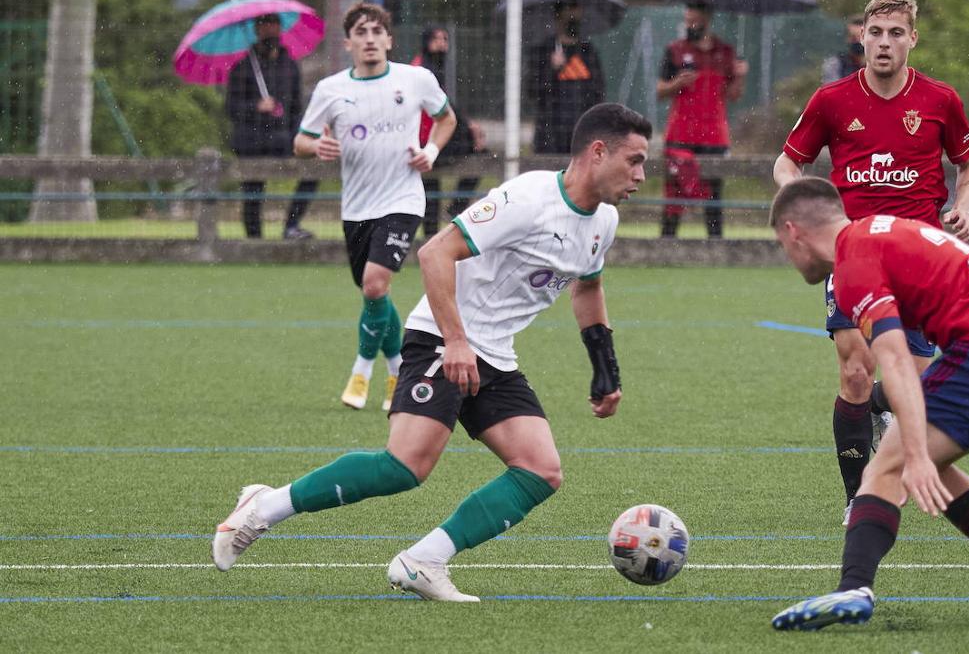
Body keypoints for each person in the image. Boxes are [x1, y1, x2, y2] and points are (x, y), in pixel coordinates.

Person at [212, 103, 651, 603]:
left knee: (540, 470)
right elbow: (434, 252)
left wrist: (605, 368)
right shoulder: (528, 197)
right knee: (405, 466)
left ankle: (424, 560)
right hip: (441, 339)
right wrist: (457, 341)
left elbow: (587, 289)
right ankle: (262, 509)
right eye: (634, 161)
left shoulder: (605, 222)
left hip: (494, 356)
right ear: (598, 152)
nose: (640, 175)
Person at [767, 178, 969, 630]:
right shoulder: (880, 232)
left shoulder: (854, 262)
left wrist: (912, 451)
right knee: (926, 460)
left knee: (887, 466)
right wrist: (919, 451)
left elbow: (896, 361)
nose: (787, 258)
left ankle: (853, 587)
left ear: (793, 231)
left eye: (781, 244)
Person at [773, 0, 969, 525]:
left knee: (902, 385)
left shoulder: (940, 100)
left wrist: (962, 206)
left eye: (896, 33)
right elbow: (786, 163)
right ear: (860, 38)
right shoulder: (831, 100)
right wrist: (803, 212)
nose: (884, 43)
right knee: (854, 372)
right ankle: (857, 497)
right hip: (854, 252)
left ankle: (878, 412)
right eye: (876, 33)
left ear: (913, 39)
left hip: (921, 257)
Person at [292, 2, 457, 411]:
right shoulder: (331, 90)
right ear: (348, 42)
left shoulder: (416, 79)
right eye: (361, 33)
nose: (369, 39)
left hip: (403, 199)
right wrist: (316, 145)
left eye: (376, 31)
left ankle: (361, 370)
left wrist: (431, 151)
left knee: (374, 284)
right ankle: (398, 368)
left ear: (389, 39)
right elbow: (300, 142)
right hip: (356, 208)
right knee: (374, 295)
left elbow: (447, 118)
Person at [657, 1, 748, 238]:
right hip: (680, 135)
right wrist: (677, 83)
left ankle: (715, 245)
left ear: (707, 19)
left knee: (714, 196)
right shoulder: (675, 50)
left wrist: (739, 77)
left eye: (694, 21)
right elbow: (659, 91)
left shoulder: (726, 52)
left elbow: (734, 96)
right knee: (673, 195)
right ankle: (666, 244)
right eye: (687, 21)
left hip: (714, 137)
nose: (690, 25)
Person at [224, 13, 318, 240]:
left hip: (283, 138)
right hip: (252, 141)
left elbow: (296, 107)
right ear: (257, 30)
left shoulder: (290, 67)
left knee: (313, 169)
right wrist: (255, 107)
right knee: (253, 190)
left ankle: (291, 226)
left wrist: (298, 136)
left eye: (274, 25)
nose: (270, 31)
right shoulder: (243, 68)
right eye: (265, 26)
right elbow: (231, 108)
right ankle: (254, 239)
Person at [412, 25, 489, 237]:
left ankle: (434, 231)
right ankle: (455, 207)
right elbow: (443, 106)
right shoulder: (424, 70)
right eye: (437, 39)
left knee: (431, 185)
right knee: (478, 155)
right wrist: (468, 126)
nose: (442, 45)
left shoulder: (429, 67)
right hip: (428, 137)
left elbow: (445, 105)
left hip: (430, 136)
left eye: (445, 40)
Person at [527, 1, 606, 154]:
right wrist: (552, 70)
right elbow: (533, 92)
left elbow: (598, 92)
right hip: (550, 135)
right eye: (571, 8)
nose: (577, 14)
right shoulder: (543, 51)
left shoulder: (588, 51)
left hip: (583, 135)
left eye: (578, 8)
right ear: (558, 15)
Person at [820, 15, 864, 84]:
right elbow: (833, 92)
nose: (858, 41)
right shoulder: (835, 64)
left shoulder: (880, 64)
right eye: (853, 37)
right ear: (847, 38)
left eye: (861, 37)